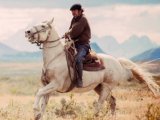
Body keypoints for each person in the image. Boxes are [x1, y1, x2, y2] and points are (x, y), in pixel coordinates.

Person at [65, 4, 91, 87]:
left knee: (78, 59)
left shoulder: (83, 19)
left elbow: (75, 32)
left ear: (80, 11)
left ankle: (80, 80)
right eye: (72, 11)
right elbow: (70, 29)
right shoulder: (74, 19)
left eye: (74, 11)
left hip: (83, 45)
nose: (73, 13)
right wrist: (66, 36)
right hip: (74, 44)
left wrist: (68, 34)